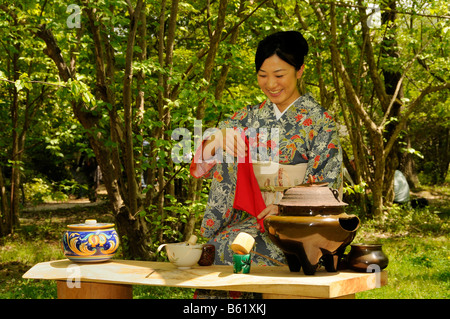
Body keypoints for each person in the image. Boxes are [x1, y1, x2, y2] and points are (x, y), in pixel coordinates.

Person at [190, 31, 343, 282]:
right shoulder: (247, 118)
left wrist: (286, 208)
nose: (271, 84)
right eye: (263, 75)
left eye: (279, 75)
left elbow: (328, 188)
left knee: (232, 253)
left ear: (300, 70)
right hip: (250, 219)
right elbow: (199, 161)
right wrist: (217, 139)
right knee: (216, 249)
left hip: (297, 227)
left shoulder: (320, 123)